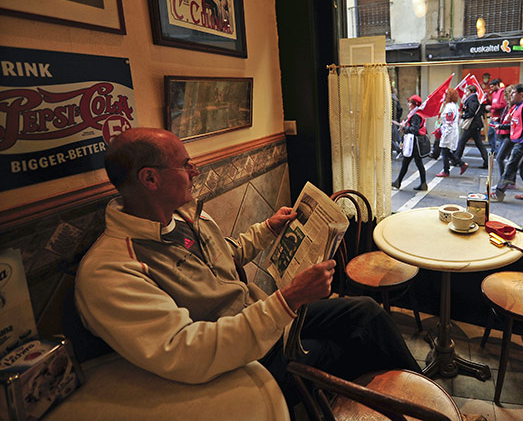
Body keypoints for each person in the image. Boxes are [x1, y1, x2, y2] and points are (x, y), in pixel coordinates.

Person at [75, 128, 421, 410]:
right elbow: (186, 351)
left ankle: (430, 404)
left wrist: (269, 228)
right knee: (357, 347)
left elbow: (227, 255)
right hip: (241, 361)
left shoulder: (183, 216)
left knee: (366, 313)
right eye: (185, 165)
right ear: (150, 179)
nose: (195, 172)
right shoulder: (110, 271)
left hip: (261, 319)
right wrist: (288, 300)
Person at [491, 84, 523, 201]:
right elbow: (516, 124)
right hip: (520, 141)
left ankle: (499, 193)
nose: (511, 95)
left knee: (510, 167)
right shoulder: (519, 106)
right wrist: (501, 126)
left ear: (521, 94)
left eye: (513, 93)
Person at [392, 95, 429, 190]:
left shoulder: (416, 115)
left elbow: (414, 129)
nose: (408, 104)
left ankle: (398, 182)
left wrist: (404, 127)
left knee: (408, 163)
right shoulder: (417, 114)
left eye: (410, 103)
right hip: (416, 143)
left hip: (414, 144)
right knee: (417, 163)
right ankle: (422, 184)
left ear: (415, 104)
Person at [454, 85, 489, 168]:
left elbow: (471, 112)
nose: (465, 93)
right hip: (475, 125)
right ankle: (487, 161)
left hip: (472, 125)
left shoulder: (472, 99)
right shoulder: (472, 99)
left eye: (467, 91)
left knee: (462, 142)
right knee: (479, 144)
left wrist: (463, 116)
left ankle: (456, 159)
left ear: (472, 92)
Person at [436, 88, 468, 178]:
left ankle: (447, 170)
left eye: (446, 95)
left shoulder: (449, 107)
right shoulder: (453, 106)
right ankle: (461, 164)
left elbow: (449, 121)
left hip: (449, 131)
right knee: (446, 151)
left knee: (444, 151)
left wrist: (445, 133)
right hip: (451, 130)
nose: (444, 96)